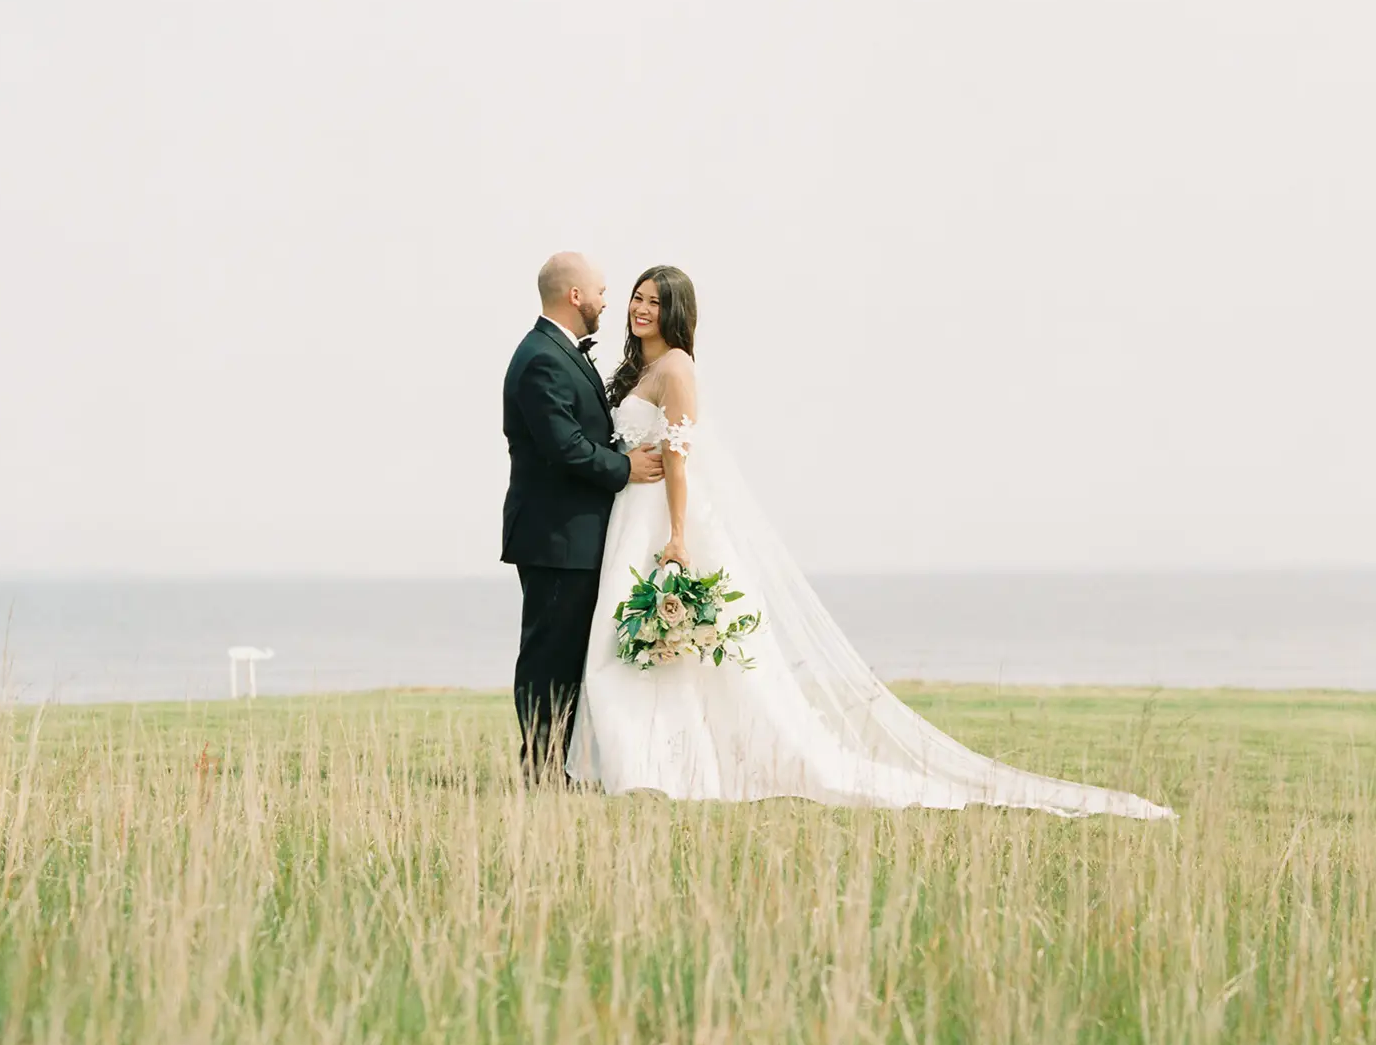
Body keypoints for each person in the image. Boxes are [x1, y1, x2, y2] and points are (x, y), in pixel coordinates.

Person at [563, 264, 1174, 820]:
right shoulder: (641, 369)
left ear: (676, 312)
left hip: (661, 518)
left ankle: (663, 764)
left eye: (654, 301)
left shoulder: (676, 368)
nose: (641, 308)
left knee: (670, 647)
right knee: (633, 644)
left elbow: (679, 456)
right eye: (637, 298)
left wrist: (676, 536)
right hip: (631, 514)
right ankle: (642, 761)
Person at [501, 252, 663, 782]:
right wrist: (626, 467)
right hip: (555, 536)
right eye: (600, 291)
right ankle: (542, 769)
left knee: (569, 655)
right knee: (549, 656)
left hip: (575, 536)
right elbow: (564, 446)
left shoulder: (559, 351)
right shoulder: (541, 358)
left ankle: (565, 764)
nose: (606, 301)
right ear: (575, 296)